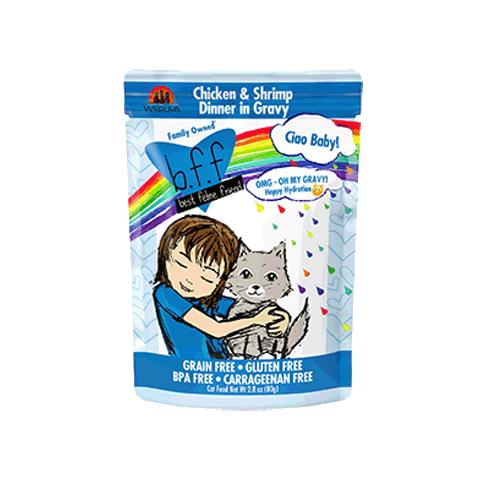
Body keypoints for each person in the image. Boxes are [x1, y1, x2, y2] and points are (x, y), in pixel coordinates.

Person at [153, 215, 289, 359]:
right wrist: (255, 320)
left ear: (221, 281)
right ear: (165, 256)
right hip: (192, 366)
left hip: (223, 360)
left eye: (206, 278)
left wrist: (280, 317)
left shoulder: (206, 298)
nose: (189, 280)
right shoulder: (165, 294)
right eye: (181, 264)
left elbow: (246, 307)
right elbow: (215, 329)